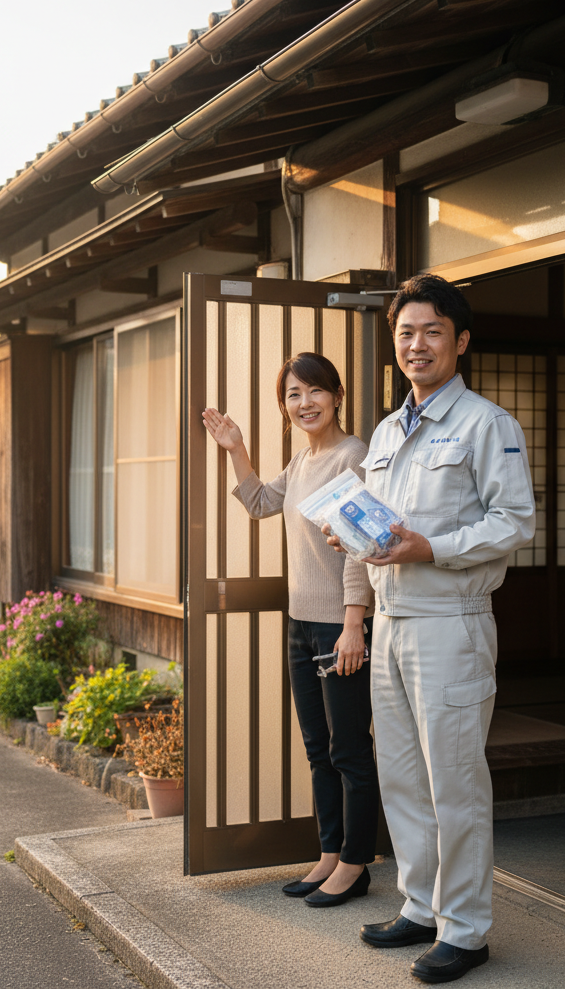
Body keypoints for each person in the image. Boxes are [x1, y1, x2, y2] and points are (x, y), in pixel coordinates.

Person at [327, 274, 535, 982]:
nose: (417, 345)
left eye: (432, 331)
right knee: (404, 778)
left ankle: (467, 929)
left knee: (455, 784)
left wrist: (432, 548)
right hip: (390, 622)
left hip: (452, 623)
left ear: (461, 341)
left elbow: (514, 523)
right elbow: (384, 527)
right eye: (406, 333)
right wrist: (352, 535)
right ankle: (419, 906)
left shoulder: (488, 424)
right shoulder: (388, 430)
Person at [202, 351, 380, 908]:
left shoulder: (354, 457)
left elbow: (362, 546)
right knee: (318, 748)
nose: (305, 403)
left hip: (339, 626)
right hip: (302, 623)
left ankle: (357, 862)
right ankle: (329, 853)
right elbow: (259, 504)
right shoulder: (303, 462)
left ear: (337, 395)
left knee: (349, 749)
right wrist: (237, 450)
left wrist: (354, 625)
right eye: (293, 395)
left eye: (314, 391)